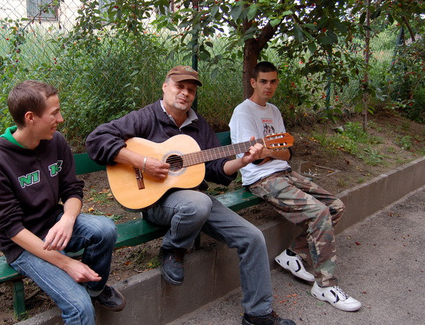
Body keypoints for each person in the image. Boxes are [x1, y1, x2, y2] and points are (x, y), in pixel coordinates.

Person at [86, 66, 295, 325]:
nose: (185, 93)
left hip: (197, 203)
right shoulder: (145, 117)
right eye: (179, 86)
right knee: (198, 202)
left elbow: (217, 169)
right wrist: (142, 162)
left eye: (191, 90)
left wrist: (243, 161)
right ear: (165, 87)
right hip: (157, 203)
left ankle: (258, 314)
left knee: (253, 237)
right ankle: (172, 250)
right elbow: (96, 139)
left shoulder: (198, 125)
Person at [0, 80, 125, 325]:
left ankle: (94, 290)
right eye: (55, 113)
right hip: (23, 243)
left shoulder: (55, 141)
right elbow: (11, 228)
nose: (61, 119)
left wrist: (67, 219)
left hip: (53, 221)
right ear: (30, 118)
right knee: (80, 310)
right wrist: (67, 263)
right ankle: (82, 294)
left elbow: (72, 190)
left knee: (105, 229)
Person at [229, 61, 362, 312]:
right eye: (264, 81)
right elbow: (254, 157)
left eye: (274, 81)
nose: (269, 86)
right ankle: (324, 285)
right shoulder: (243, 112)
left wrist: (272, 152)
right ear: (253, 82)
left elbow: (287, 153)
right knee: (319, 212)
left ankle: (293, 254)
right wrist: (272, 152)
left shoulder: (274, 111)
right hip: (261, 179)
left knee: (335, 206)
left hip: (285, 172)